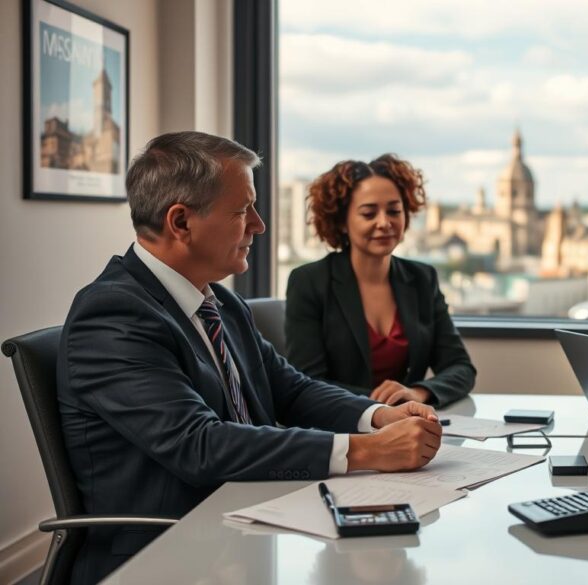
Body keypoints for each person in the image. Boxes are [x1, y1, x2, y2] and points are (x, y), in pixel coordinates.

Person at [58, 132, 443, 584]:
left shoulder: (219, 302)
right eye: (242, 211)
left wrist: (379, 417)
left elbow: (291, 389)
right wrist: (365, 451)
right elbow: (199, 445)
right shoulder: (113, 315)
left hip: (247, 522)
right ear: (181, 222)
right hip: (171, 553)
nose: (258, 224)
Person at [286, 154, 476, 408]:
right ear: (342, 222)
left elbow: (460, 367)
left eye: (394, 211)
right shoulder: (309, 282)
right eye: (369, 213)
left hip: (409, 427)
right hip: (342, 431)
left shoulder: (422, 278)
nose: (384, 222)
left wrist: (417, 393)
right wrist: (382, 406)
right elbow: (308, 382)